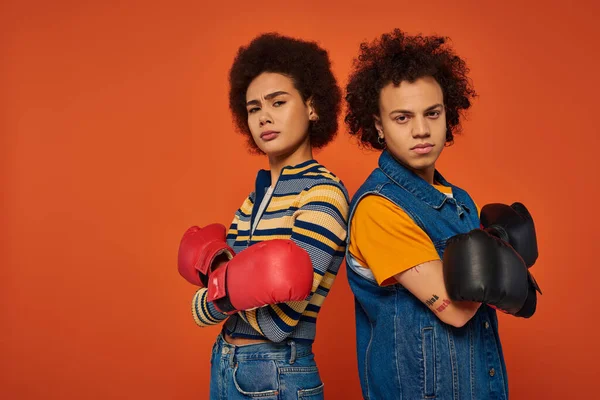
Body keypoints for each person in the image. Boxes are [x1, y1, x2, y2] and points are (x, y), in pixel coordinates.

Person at [343, 29, 541, 399]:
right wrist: (500, 250)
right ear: (377, 126)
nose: (421, 130)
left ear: (448, 113)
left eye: (432, 113)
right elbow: (457, 311)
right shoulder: (378, 208)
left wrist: (495, 252)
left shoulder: (458, 199)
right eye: (402, 118)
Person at [178, 33, 350, 400]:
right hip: (227, 362)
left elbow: (279, 321)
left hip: (278, 370)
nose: (264, 117)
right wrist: (230, 289)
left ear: (313, 107)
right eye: (254, 108)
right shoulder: (253, 199)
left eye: (278, 102)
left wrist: (217, 289)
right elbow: (212, 300)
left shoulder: (323, 194)